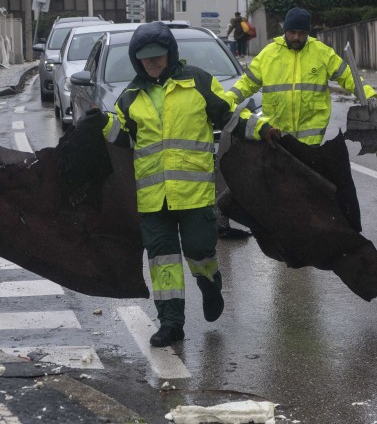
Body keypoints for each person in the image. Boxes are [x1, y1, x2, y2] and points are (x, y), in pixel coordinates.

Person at [83, 21, 278, 347]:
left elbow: (231, 117)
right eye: (145, 57)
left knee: (199, 249)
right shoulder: (130, 97)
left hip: (194, 194)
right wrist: (102, 123)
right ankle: (171, 323)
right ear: (136, 59)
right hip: (153, 198)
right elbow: (125, 137)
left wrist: (264, 129)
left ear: (170, 53)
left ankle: (210, 282)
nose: (152, 62)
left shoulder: (198, 82)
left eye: (157, 55)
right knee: (162, 260)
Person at [225, 7, 377, 146]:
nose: (296, 37)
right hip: (277, 137)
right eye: (292, 32)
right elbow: (247, 83)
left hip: (311, 141)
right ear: (285, 30)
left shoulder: (322, 53)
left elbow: (347, 76)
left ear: (308, 33)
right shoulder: (268, 54)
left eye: (301, 33)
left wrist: (369, 95)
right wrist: (226, 101)